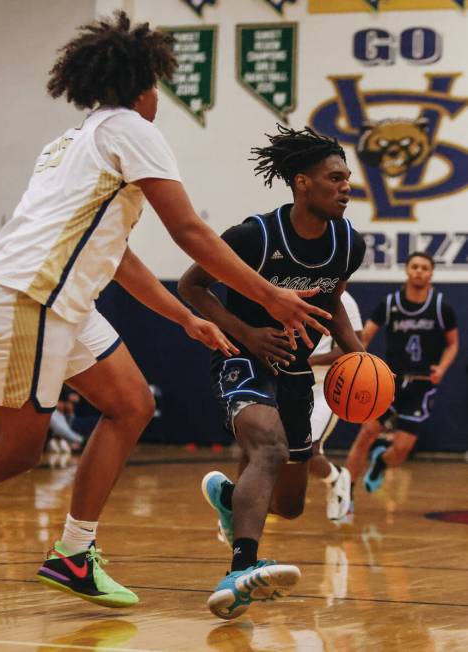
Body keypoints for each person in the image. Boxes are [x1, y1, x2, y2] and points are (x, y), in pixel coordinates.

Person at [0, 12, 331, 609]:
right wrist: (270, 295)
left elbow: (117, 258)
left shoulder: (72, 142)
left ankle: (74, 553)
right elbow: (189, 230)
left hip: (56, 296)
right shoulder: (133, 131)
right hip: (31, 296)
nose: (159, 98)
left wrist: (186, 317)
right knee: (16, 448)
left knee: (131, 404)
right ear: (142, 84)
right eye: (157, 86)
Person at [178, 124, 366, 619]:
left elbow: (333, 302)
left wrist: (359, 354)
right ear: (303, 183)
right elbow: (192, 286)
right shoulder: (254, 235)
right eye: (336, 177)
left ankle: (229, 498)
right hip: (242, 356)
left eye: (348, 178)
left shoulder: (349, 243)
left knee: (291, 506)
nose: (346, 186)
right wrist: (248, 333)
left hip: (297, 370)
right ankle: (242, 566)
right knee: (268, 445)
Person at [344, 251, 458, 504]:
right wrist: (362, 362)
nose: (419, 271)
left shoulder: (441, 308)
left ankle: (380, 462)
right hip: (390, 381)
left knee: (402, 449)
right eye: (414, 266)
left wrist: (442, 368)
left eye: (424, 268)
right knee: (366, 433)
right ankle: (346, 494)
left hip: (422, 385)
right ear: (407, 270)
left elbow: (453, 344)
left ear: (431, 274)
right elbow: (365, 335)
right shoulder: (390, 303)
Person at [307, 290, 363, 522]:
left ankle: (337, 477)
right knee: (275, 449)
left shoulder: (344, 300)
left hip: (325, 387)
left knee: (307, 450)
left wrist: (309, 360)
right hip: (290, 383)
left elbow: (355, 345)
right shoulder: (289, 288)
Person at [49, 386, 84, 452]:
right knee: (61, 407)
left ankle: (61, 440)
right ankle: (67, 440)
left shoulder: (69, 386)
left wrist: (68, 398)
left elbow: (76, 398)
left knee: (69, 407)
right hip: (52, 403)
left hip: (61, 401)